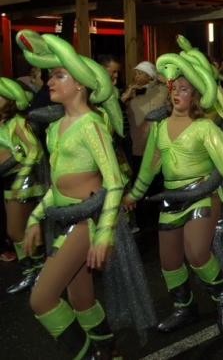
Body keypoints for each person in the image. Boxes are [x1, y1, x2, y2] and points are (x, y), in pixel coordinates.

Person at [16, 30, 149, 359]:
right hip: (63, 220)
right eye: (50, 75)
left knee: (41, 299)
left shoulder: (91, 125)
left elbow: (115, 182)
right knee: (81, 299)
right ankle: (110, 351)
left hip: (86, 222)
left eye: (59, 75)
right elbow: (58, 185)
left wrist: (104, 235)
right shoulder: (53, 128)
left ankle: (92, 355)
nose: (50, 82)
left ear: (80, 84)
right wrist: (35, 217)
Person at [122, 51, 223, 335]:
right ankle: (184, 308)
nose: (177, 93)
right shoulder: (159, 128)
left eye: (185, 89)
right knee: (169, 261)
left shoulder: (204, 128)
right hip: (171, 199)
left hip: (202, 194)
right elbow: (149, 167)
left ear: (196, 96)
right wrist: (133, 195)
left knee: (197, 253)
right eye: (175, 87)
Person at [0, 77, 45, 294]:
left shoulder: (16, 121)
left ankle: (39, 272)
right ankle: (32, 273)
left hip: (22, 180)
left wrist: (21, 172)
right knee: (17, 232)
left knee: (16, 231)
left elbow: (35, 150)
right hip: (7, 180)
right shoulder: (2, 122)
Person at [122, 61, 168, 176]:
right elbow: (119, 111)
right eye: (136, 73)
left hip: (159, 144)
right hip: (139, 145)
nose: (136, 76)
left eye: (140, 73)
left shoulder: (163, 91)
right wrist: (126, 97)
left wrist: (166, 81)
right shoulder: (131, 93)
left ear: (149, 76)